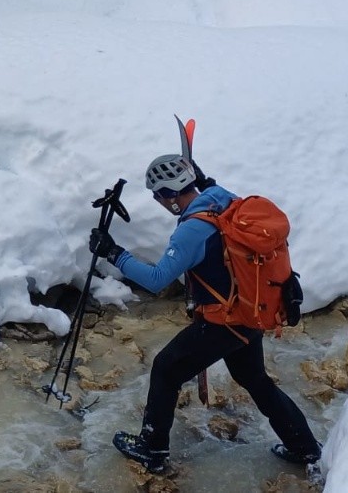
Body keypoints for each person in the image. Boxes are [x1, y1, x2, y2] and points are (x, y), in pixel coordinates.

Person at [88, 154, 322, 474]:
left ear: (170, 195)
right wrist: (203, 179)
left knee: (166, 369)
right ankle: (306, 448)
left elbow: (157, 281)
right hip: (251, 310)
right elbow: (211, 189)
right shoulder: (221, 197)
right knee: (254, 379)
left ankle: (152, 449)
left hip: (224, 321)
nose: (158, 202)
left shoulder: (191, 231)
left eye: (158, 195)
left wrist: (114, 253)